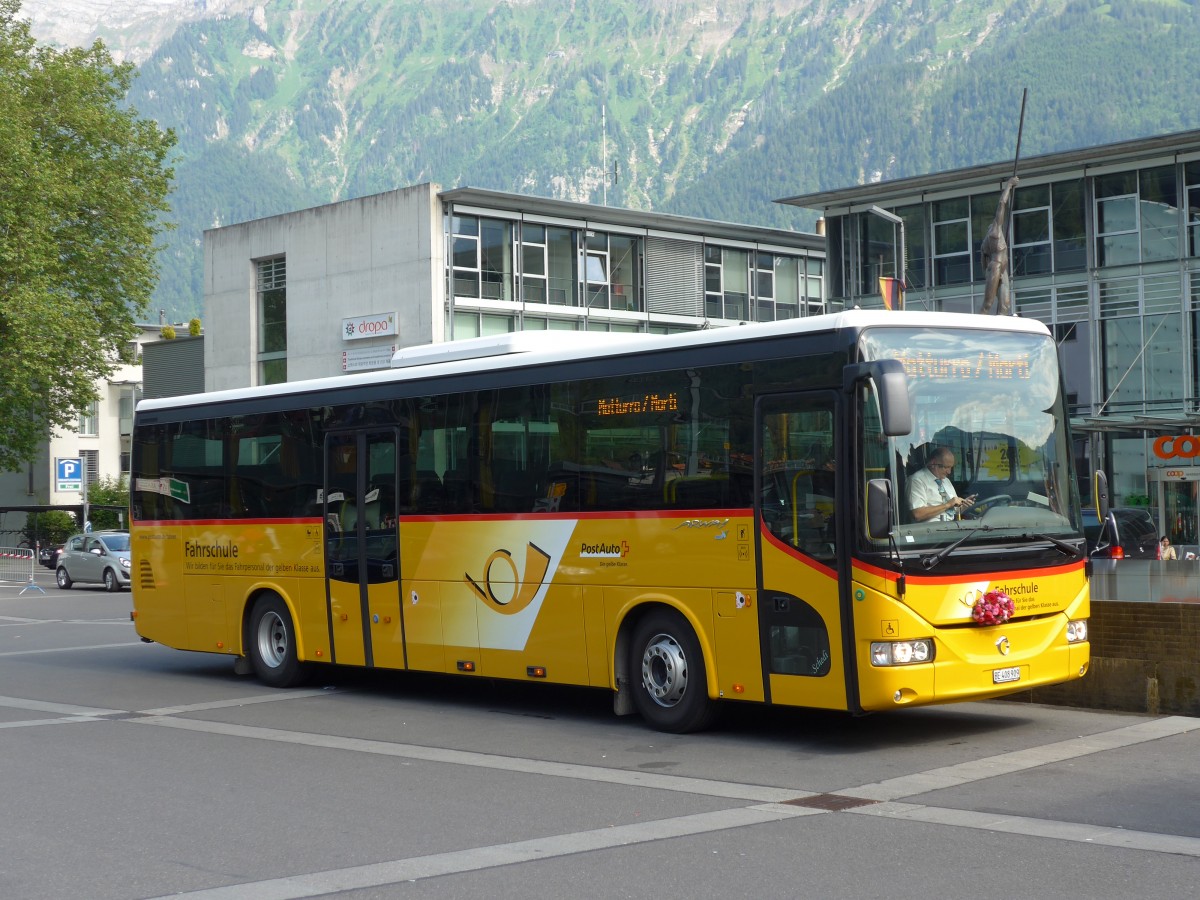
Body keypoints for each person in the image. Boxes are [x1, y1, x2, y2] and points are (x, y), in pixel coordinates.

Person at [907, 448, 975, 523]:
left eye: (951, 468)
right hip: (931, 531)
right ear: (933, 463)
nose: (949, 472)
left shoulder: (946, 481)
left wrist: (963, 505)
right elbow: (917, 514)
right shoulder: (917, 480)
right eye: (946, 467)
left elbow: (952, 512)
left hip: (951, 527)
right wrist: (948, 504)